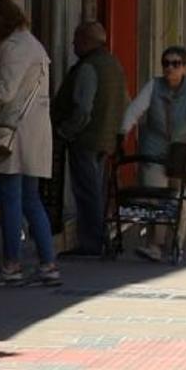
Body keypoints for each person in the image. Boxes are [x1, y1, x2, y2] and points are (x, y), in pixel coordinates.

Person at [0, 0, 60, 286]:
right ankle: (48, 264)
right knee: (30, 199)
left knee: (9, 198)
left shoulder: (15, 48)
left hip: (14, 134)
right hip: (29, 132)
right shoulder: (29, 44)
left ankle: (12, 264)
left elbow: (4, 90)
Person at [119, 45, 186, 262]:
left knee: (180, 199)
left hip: (181, 150)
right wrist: (123, 132)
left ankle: (175, 242)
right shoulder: (154, 86)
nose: (170, 68)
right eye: (166, 63)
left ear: (184, 68)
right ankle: (154, 245)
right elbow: (135, 109)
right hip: (154, 146)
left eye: (175, 64)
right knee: (155, 197)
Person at [53, 21, 126, 257]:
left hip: (86, 140)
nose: (72, 44)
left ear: (86, 41)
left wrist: (65, 131)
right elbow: (125, 102)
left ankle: (91, 242)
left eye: (76, 39)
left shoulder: (88, 67)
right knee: (95, 190)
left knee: (87, 192)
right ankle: (97, 239)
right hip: (105, 139)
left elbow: (83, 110)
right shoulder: (114, 64)